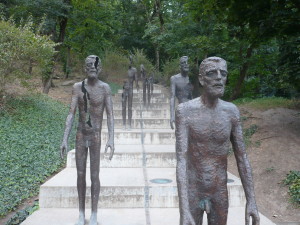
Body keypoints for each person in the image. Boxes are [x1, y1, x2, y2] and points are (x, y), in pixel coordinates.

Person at [175, 57, 260, 225]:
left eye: (223, 73)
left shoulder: (231, 112)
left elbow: (242, 158)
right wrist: (184, 209)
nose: (219, 77)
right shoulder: (185, 111)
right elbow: (181, 160)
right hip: (193, 191)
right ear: (201, 79)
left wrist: (251, 201)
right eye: (212, 73)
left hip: (219, 192)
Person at [60, 55, 114, 225]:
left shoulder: (105, 88)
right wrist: (64, 138)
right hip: (80, 135)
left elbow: (110, 115)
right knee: (81, 174)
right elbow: (71, 113)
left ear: (100, 68)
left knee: (95, 175)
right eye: (89, 64)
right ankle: (81, 213)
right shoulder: (77, 87)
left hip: (96, 136)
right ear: (85, 68)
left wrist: (111, 138)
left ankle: (95, 213)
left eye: (95, 65)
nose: (92, 67)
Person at [170, 56, 193, 129]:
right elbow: (172, 97)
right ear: (180, 66)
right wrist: (172, 116)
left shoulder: (191, 79)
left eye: (187, 62)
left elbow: (192, 97)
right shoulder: (174, 79)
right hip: (181, 110)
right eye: (183, 63)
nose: (186, 64)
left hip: (192, 111)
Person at [122, 56, 139, 129]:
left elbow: (136, 80)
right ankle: (123, 124)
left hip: (130, 89)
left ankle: (129, 124)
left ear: (132, 62)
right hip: (124, 89)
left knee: (129, 107)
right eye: (128, 61)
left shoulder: (134, 70)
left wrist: (137, 85)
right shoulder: (123, 70)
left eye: (130, 61)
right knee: (123, 107)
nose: (129, 62)